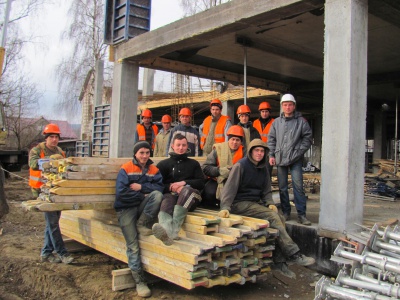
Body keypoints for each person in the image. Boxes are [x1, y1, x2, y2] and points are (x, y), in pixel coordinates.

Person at [218, 139, 315, 279]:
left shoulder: (263, 168)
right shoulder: (241, 165)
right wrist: (225, 207)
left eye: (262, 151)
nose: (259, 153)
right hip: (239, 204)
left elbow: (266, 190)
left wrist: (269, 202)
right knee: (273, 217)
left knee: (280, 218)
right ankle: (293, 254)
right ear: (251, 151)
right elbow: (229, 188)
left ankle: (279, 262)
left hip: (254, 203)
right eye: (256, 150)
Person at [114, 141, 164, 298]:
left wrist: (142, 188)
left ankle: (142, 223)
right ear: (135, 153)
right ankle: (139, 281)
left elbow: (159, 188)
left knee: (157, 196)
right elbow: (121, 193)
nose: (144, 156)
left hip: (141, 206)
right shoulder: (126, 169)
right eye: (141, 153)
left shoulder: (154, 169)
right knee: (133, 245)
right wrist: (141, 196)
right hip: (126, 207)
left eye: (147, 153)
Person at [29, 123, 74, 264]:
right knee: (53, 223)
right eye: (51, 137)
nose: (54, 140)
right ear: (46, 138)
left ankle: (46, 253)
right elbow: (32, 164)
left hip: (57, 190)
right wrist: (50, 162)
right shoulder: (37, 150)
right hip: (42, 191)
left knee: (52, 223)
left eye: (56, 137)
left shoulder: (60, 152)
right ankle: (62, 253)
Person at [268, 94, 313, 225]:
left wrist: (298, 152)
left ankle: (301, 214)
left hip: (295, 159)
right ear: (282, 106)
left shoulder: (301, 122)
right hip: (280, 158)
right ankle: (286, 212)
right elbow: (271, 139)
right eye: (285, 105)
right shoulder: (276, 122)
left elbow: (307, 138)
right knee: (282, 187)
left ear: (294, 106)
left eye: (290, 105)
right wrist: (271, 155)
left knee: (298, 187)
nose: (287, 107)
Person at [152, 134, 204, 246]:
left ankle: (173, 230)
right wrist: (170, 186)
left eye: (184, 145)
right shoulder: (163, 165)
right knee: (166, 199)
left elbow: (201, 182)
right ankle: (165, 230)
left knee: (186, 191)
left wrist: (184, 183)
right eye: (178, 145)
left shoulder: (194, 164)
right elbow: (158, 185)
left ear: (187, 146)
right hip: (173, 196)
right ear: (172, 146)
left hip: (192, 198)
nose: (181, 148)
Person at [201, 125, 245, 207]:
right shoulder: (218, 149)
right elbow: (206, 168)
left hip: (235, 183)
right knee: (209, 193)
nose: (235, 142)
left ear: (241, 142)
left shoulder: (244, 153)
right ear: (229, 140)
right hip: (217, 180)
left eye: (237, 140)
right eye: (233, 139)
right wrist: (220, 171)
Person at [253, 101, 275, 176]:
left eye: (266, 111)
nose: (264, 113)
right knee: (256, 173)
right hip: (257, 152)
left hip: (268, 152)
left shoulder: (274, 123)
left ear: (269, 112)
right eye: (262, 111)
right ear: (260, 112)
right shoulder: (255, 123)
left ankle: (267, 187)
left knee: (267, 173)